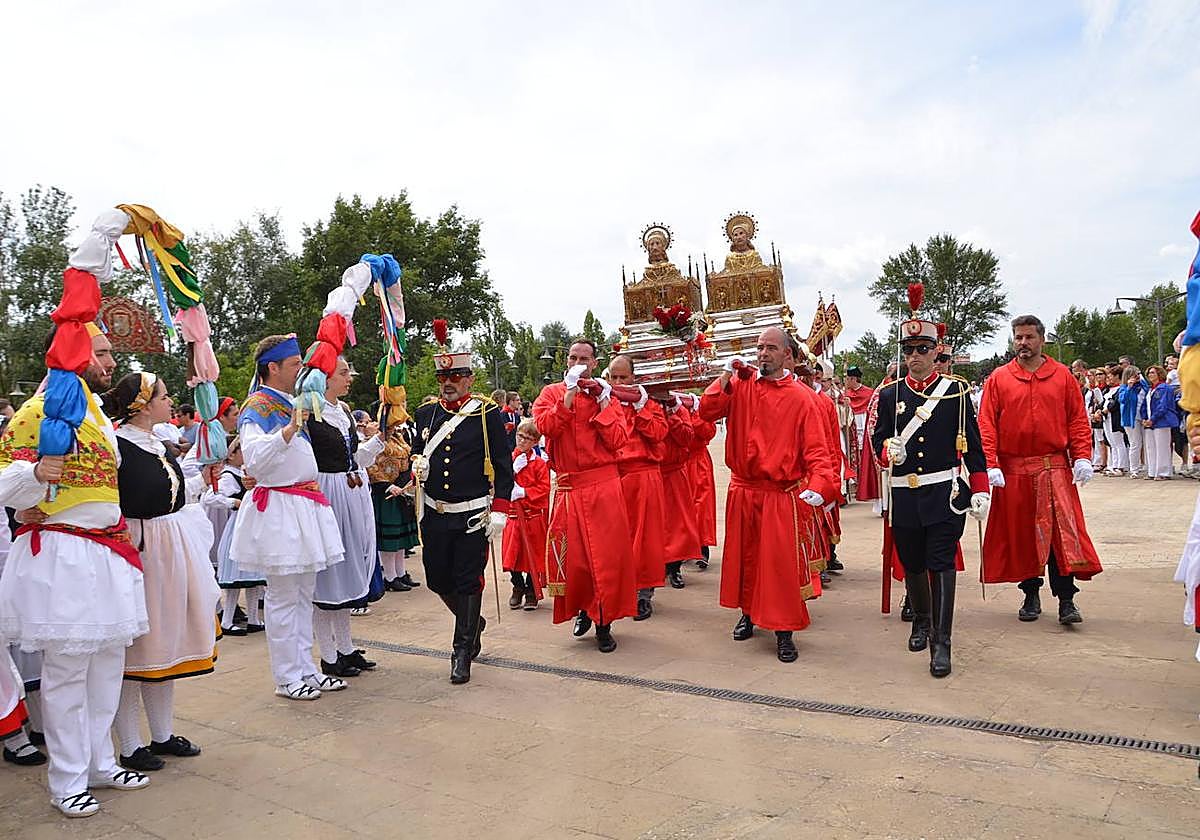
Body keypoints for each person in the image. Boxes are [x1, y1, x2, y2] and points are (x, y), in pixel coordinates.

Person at [0, 321, 152, 817]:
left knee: (107, 664)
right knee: (67, 669)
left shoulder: (95, 416)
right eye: (102, 353)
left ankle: (99, 762)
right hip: (64, 552)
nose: (111, 363)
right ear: (72, 353)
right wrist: (33, 473)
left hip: (107, 551)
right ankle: (66, 780)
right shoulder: (37, 410)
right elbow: (7, 484)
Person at [698, 327, 836, 663]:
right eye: (759, 348)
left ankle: (784, 631)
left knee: (778, 567)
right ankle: (747, 612)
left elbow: (820, 454)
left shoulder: (803, 399)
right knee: (745, 557)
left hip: (779, 494)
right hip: (743, 489)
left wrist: (820, 487)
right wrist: (725, 378)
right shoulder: (741, 385)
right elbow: (706, 411)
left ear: (788, 355)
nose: (763, 354)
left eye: (771, 348)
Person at [105, 373, 219, 773]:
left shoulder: (158, 444)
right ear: (142, 403)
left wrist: (201, 478)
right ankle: (130, 743)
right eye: (165, 396)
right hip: (140, 547)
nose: (171, 402)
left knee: (164, 642)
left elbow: (171, 493)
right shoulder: (117, 446)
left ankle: (162, 732)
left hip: (169, 543)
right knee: (137, 647)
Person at [871, 305, 988, 678]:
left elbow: (973, 444)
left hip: (944, 494)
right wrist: (888, 450)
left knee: (942, 562)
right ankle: (922, 620)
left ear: (937, 351)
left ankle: (943, 642)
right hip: (905, 494)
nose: (915, 356)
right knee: (914, 563)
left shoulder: (955, 392)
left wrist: (981, 486)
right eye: (909, 349)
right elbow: (877, 443)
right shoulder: (890, 396)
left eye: (922, 348)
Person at [230, 334, 348, 701]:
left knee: (303, 594)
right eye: (295, 364)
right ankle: (286, 676)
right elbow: (255, 460)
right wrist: (290, 428)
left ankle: (306, 668)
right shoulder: (259, 407)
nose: (301, 370)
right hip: (280, 506)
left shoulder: (288, 402)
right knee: (283, 596)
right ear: (273, 367)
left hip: (302, 504)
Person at [979, 315, 1103, 624]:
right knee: (1022, 536)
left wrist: (1083, 457)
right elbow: (986, 425)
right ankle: (1030, 594)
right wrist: (990, 464)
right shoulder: (999, 378)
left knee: (1061, 536)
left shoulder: (1062, 376)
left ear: (1041, 339)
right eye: (1018, 337)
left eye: (1029, 337)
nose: (1023, 343)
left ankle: (1066, 600)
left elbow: (1077, 420)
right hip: (1016, 470)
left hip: (1054, 468)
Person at [407, 333, 513, 683]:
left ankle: (462, 649)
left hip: (471, 513)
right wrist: (416, 467)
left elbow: (502, 466)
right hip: (434, 513)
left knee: (469, 581)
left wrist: (500, 509)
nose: (448, 384)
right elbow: (419, 456)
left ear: (469, 378)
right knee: (438, 579)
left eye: (455, 377)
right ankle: (471, 621)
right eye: (442, 378)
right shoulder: (426, 414)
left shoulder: (487, 414)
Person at [533, 339, 636, 652]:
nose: (578, 362)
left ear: (594, 363)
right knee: (575, 559)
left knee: (606, 558)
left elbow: (619, 439)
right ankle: (582, 609)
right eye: (573, 357)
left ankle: (604, 621)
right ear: (566, 361)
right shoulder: (551, 393)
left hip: (604, 486)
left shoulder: (606, 395)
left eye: (584, 358)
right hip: (569, 488)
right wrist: (568, 394)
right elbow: (546, 427)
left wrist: (605, 402)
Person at [308, 357, 386, 679]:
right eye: (342, 373)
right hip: (327, 493)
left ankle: (346, 647)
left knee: (349, 568)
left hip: (351, 491)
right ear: (325, 378)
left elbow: (354, 457)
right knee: (329, 575)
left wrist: (380, 439)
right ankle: (328, 654)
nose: (349, 378)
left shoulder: (342, 412)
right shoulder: (310, 414)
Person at [603, 354, 667, 620]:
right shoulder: (604, 403)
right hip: (612, 477)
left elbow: (659, 433)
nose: (618, 382)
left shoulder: (649, 404)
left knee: (646, 539)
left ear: (634, 378)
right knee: (614, 540)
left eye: (623, 377)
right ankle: (617, 591)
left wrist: (640, 408)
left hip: (643, 477)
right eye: (613, 377)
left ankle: (643, 594)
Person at [206, 437, 266, 636]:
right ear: (232, 454)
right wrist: (234, 503)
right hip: (238, 528)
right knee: (235, 579)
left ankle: (253, 619)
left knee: (253, 577)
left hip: (250, 527)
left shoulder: (241, 473)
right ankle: (228, 620)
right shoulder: (229, 476)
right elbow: (211, 497)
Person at [503, 419, 550, 610]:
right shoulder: (507, 459)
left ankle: (531, 590)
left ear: (535, 442)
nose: (522, 441)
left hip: (532, 517)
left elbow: (544, 488)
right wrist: (511, 471)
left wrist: (524, 492)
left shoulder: (539, 464)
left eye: (528, 438)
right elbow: (494, 482)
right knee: (511, 556)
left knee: (533, 556)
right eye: (520, 436)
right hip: (514, 516)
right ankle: (518, 586)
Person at [1143, 364, 1180, 480]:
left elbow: (1162, 407)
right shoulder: (1150, 389)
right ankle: (1153, 471)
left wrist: (1152, 419)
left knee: (1162, 447)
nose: (1150, 375)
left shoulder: (1165, 388)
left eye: (1153, 372)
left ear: (1159, 374)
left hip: (1162, 421)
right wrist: (1145, 418)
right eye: (1149, 373)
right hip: (1150, 422)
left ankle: (1163, 472)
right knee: (1151, 447)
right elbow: (1145, 406)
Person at [1119, 366, 1149, 478]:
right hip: (1131, 418)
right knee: (1135, 443)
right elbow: (1122, 400)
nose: (1137, 376)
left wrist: (1141, 378)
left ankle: (1147, 466)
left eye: (1138, 374)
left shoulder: (1142, 386)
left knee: (1146, 443)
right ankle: (1134, 469)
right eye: (1134, 374)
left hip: (1143, 417)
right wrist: (1129, 387)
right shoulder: (1123, 388)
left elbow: (1147, 392)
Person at [1102, 366, 1129, 475]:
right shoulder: (1108, 390)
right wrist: (1099, 410)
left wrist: (1107, 409)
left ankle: (1121, 466)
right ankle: (1113, 465)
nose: (1108, 379)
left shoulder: (1121, 388)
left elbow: (1116, 403)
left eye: (1110, 377)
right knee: (1112, 442)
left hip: (1115, 418)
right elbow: (1102, 402)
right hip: (1106, 419)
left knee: (1118, 442)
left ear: (1117, 376)